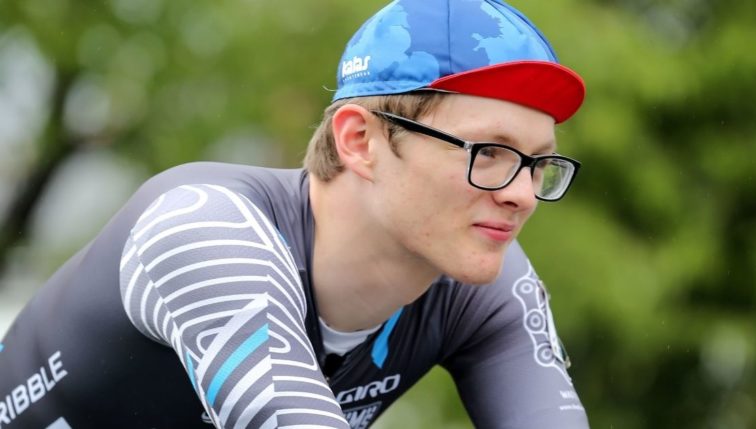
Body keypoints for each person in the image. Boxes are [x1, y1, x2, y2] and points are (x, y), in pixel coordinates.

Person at [0, 0, 590, 427]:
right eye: (488, 153)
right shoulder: (205, 229)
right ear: (360, 141)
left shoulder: (485, 283)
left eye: (538, 164)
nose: (523, 195)